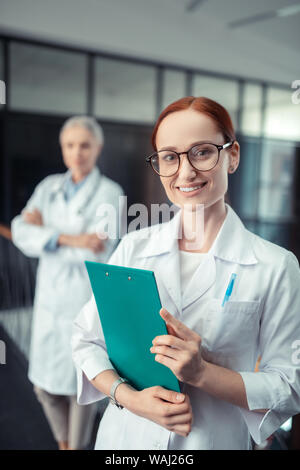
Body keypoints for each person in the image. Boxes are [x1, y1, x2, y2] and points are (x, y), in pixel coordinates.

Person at [71, 97, 300, 450]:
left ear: (233, 155)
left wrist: (203, 373)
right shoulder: (134, 247)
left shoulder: (275, 265)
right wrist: (131, 400)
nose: (186, 172)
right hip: (125, 440)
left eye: (203, 152)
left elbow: (289, 386)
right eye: (169, 157)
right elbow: (87, 340)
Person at [11, 116, 124, 450]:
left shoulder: (110, 193)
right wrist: (73, 239)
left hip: (85, 299)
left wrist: (46, 234)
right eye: (70, 145)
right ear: (62, 149)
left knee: (83, 387)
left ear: (97, 149)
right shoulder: (49, 188)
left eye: (85, 145)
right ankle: (64, 443)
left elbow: (99, 250)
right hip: (49, 300)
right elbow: (20, 232)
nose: (77, 152)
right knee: (43, 386)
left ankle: (74, 446)